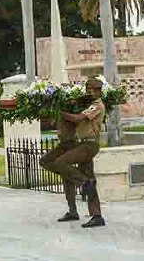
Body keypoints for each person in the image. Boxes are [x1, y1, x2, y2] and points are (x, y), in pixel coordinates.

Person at [40, 78, 107, 228]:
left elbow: (78, 118)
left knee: (62, 164)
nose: (90, 92)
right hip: (80, 143)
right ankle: (78, 211)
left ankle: (84, 186)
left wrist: (59, 112)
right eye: (88, 89)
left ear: (99, 91)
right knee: (64, 170)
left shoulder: (97, 106)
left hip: (89, 145)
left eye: (93, 90)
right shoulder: (85, 103)